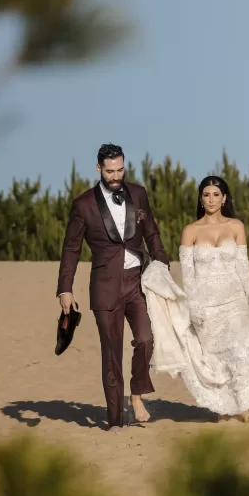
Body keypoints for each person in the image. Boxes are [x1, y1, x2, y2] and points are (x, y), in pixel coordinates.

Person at [56, 143, 169, 430]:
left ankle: (137, 393)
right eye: (110, 171)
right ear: (98, 169)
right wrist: (65, 289)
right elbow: (71, 248)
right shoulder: (83, 205)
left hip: (137, 282)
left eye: (120, 169)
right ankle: (115, 421)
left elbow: (152, 232)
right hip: (105, 287)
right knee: (112, 355)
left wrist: (162, 264)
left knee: (146, 339)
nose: (116, 175)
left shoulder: (138, 193)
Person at [177, 175, 249, 421]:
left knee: (241, 351)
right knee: (216, 359)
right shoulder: (190, 232)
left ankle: (244, 409)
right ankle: (224, 410)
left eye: (216, 195)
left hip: (234, 301)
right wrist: (194, 309)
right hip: (206, 306)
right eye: (206, 195)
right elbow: (188, 277)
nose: (211, 199)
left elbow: (243, 267)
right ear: (200, 198)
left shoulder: (236, 226)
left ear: (224, 198)